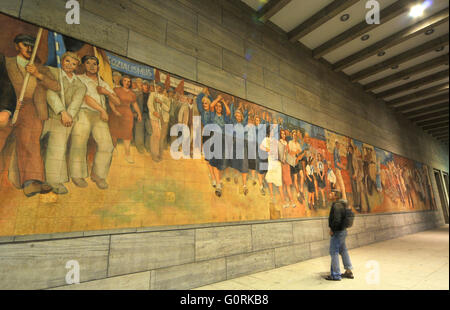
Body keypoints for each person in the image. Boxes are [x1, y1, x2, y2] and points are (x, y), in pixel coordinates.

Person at [0, 34, 60, 197]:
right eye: (24, 44)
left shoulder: (40, 67)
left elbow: (56, 86)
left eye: (31, 45)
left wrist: (37, 75)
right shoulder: (6, 62)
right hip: (8, 107)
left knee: (30, 144)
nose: (29, 48)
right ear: (16, 45)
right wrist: (6, 107)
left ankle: (31, 183)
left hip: (32, 109)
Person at [70, 55, 119, 189]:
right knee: (79, 142)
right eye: (88, 63)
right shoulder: (79, 78)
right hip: (83, 112)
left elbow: (117, 101)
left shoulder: (102, 82)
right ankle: (77, 175)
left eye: (94, 64)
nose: (92, 66)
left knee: (107, 145)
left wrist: (107, 93)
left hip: (99, 116)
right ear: (84, 65)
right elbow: (85, 98)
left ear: (98, 67)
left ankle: (99, 175)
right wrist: (103, 110)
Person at [41, 51, 87, 194]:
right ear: (62, 61)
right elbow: (50, 92)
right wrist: (61, 111)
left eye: (73, 64)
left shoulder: (80, 85)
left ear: (76, 67)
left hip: (66, 120)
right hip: (49, 115)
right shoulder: (53, 73)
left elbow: (76, 102)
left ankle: (55, 180)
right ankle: (46, 179)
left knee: (58, 148)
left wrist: (69, 115)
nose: (69, 65)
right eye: (67, 61)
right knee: (46, 146)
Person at [109, 75, 142, 164]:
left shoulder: (132, 94)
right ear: (122, 81)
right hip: (116, 113)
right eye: (125, 80)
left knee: (127, 135)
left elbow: (135, 105)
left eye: (128, 81)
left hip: (127, 114)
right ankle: (113, 149)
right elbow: (111, 101)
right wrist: (114, 111)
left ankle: (127, 155)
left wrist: (139, 113)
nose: (127, 83)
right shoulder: (116, 90)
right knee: (114, 133)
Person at [326, 189, 354, 281]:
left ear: (336, 196)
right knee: (343, 250)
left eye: (331, 193)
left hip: (338, 231)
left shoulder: (337, 205)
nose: (329, 194)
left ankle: (335, 275)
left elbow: (337, 220)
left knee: (334, 252)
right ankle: (349, 270)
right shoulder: (342, 204)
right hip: (343, 231)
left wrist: (332, 230)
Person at [134, 80, 152, 153]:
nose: (146, 86)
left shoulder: (151, 95)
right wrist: (136, 113)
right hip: (140, 114)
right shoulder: (137, 94)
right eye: (144, 85)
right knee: (139, 131)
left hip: (148, 115)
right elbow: (134, 104)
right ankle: (140, 147)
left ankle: (148, 146)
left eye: (147, 85)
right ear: (142, 86)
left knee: (149, 131)